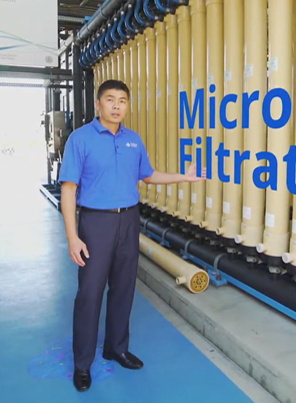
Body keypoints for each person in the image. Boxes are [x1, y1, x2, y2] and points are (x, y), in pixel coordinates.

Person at [57, 79, 205, 392]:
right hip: (96, 223)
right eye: (110, 100)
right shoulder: (80, 139)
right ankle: (82, 364)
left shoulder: (133, 141)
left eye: (122, 100)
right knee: (90, 294)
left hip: (129, 220)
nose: (116, 106)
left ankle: (116, 347)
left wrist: (184, 177)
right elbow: (68, 190)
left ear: (127, 105)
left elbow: (149, 176)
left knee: (124, 288)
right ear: (98, 104)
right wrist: (73, 236)